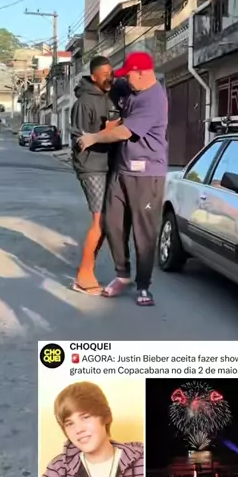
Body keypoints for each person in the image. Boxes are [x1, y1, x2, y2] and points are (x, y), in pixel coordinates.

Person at [77, 51, 168, 307]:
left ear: (142, 73)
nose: (125, 80)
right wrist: (86, 88)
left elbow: (125, 132)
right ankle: (122, 274)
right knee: (112, 224)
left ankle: (143, 286)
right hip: (121, 170)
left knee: (143, 232)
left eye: (129, 75)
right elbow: (102, 84)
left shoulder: (154, 99)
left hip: (147, 175)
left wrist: (93, 138)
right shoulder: (128, 87)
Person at [38, 382, 144, 477]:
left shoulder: (143, 462)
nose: (78, 429)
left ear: (105, 417)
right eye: (69, 423)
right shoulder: (58, 470)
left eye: (85, 417)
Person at [70, 55, 122, 295]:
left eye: (112, 73)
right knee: (99, 221)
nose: (110, 78)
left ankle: (88, 269)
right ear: (94, 77)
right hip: (90, 166)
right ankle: (83, 276)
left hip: (108, 164)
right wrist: (105, 131)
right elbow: (79, 141)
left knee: (107, 221)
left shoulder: (110, 96)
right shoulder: (83, 103)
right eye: (105, 75)